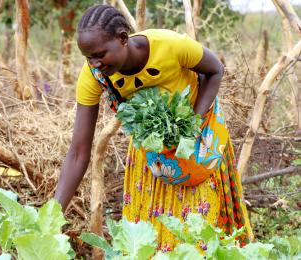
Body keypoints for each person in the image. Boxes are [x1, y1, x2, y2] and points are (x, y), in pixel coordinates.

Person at [54, 4, 253, 253]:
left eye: (100, 54)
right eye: (88, 57)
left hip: (199, 144)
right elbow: (78, 152)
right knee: (148, 243)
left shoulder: (170, 45)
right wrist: (51, 219)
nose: (94, 64)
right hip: (152, 158)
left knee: (198, 238)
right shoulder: (93, 76)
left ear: (123, 38)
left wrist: (192, 125)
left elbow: (215, 70)